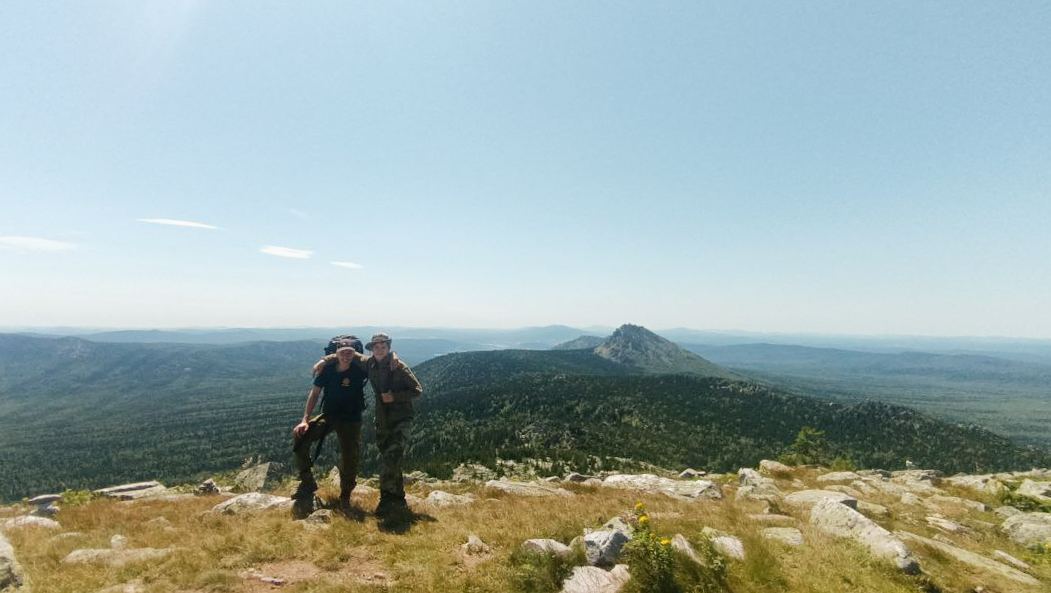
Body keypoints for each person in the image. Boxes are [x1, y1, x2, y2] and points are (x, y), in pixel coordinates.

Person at [313, 332, 422, 517]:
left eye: (383, 347)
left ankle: (387, 500)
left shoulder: (399, 366)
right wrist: (324, 360)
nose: (380, 350)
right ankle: (397, 498)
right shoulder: (368, 363)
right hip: (382, 419)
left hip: (402, 418)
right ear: (372, 349)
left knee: (391, 457)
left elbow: (417, 390)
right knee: (390, 459)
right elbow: (346, 354)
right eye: (376, 347)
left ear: (389, 348)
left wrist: (394, 397)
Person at [292, 336, 368, 513]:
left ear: (355, 354)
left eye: (350, 352)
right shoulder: (327, 370)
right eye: (342, 353)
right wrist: (305, 419)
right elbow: (315, 394)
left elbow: (379, 361)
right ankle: (307, 482)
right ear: (336, 354)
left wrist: (393, 357)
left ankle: (345, 496)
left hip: (352, 419)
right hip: (330, 416)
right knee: (301, 438)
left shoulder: (360, 369)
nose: (346, 356)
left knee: (350, 458)